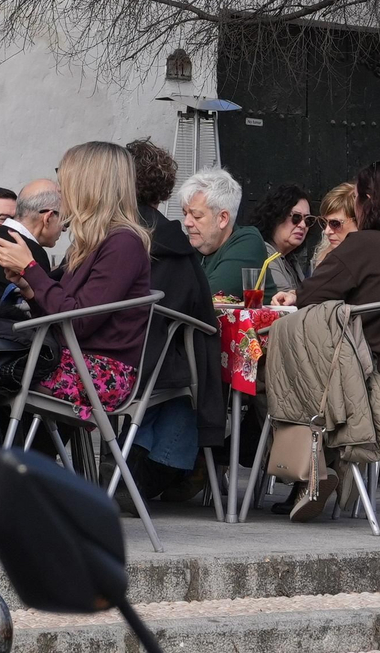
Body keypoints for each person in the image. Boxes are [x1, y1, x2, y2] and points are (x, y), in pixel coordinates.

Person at [0, 141, 154, 425]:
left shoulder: (123, 243)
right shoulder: (90, 243)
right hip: (73, 359)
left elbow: (78, 322)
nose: (61, 192)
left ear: (89, 186)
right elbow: (62, 313)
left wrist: (31, 268)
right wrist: (29, 288)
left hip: (100, 374)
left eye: (66, 180)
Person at [120, 138, 221, 508]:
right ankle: (152, 470)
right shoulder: (177, 243)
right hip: (161, 363)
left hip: (109, 360)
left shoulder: (113, 235)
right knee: (180, 383)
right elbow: (200, 314)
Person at [276, 162, 380, 374]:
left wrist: (295, 295)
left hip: (371, 376)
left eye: (355, 197)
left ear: (369, 201)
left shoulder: (362, 244)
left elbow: (309, 296)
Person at [178, 168, 269, 299]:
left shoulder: (248, 243)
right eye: (185, 214)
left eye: (196, 216)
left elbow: (207, 298)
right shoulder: (187, 245)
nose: (187, 222)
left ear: (223, 218)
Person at [251, 184, 313, 294]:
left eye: (308, 220)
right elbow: (285, 298)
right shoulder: (264, 252)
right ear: (276, 216)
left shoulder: (289, 258)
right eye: (296, 217)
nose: (303, 225)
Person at [313, 183, 357, 266]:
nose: (326, 231)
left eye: (335, 223)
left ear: (358, 221)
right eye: (323, 222)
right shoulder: (324, 255)